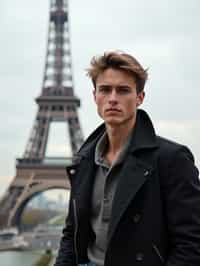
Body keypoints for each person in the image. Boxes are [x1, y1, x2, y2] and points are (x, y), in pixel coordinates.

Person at [55, 51, 200, 266]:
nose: (113, 99)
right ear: (95, 96)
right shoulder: (83, 162)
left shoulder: (172, 159)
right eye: (105, 90)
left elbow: (191, 244)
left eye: (123, 90)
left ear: (140, 98)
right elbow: (72, 234)